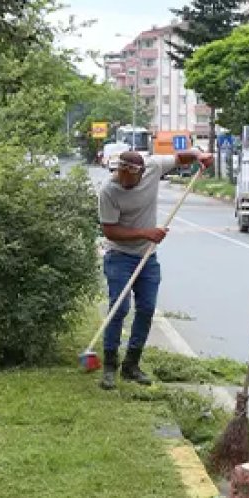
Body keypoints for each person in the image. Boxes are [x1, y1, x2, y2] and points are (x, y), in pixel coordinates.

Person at [97, 149, 212, 390]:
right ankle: (109, 365)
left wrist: (200, 155)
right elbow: (109, 231)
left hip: (147, 256)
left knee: (147, 308)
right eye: (121, 173)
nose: (124, 180)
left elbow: (182, 156)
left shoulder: (154, 167)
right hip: (119, 255)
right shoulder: (109, 191)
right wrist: (145, 233)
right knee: (119, 307)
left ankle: (131, 365)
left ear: (141, 172)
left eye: (130, 176)